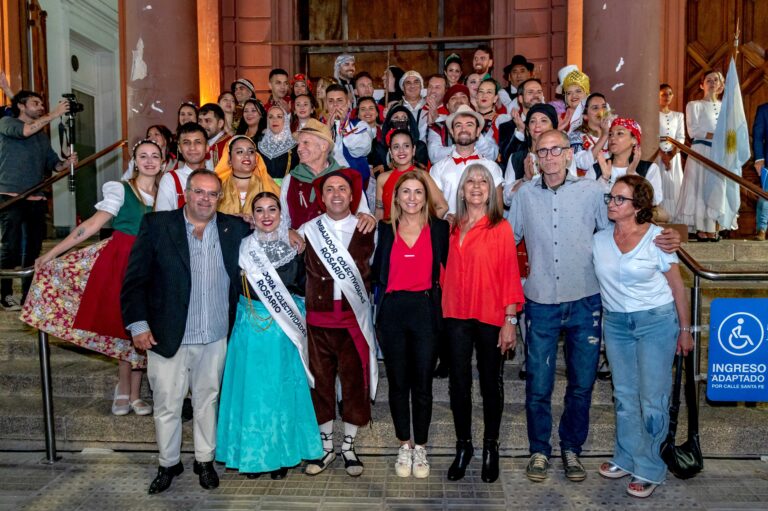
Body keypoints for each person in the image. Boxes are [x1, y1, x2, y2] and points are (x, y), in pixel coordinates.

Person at [509, 129, 680, 484]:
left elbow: (622, 228)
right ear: (535, 157)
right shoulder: (524, 195)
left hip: (586, 302)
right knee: (538, 385)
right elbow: (507, 241)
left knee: (582, 384)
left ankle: (572, 447)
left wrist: (664, 233)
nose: (551, 156)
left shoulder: (592, 193)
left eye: (557, 149)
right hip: (540, 302)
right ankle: (539, 450)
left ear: (570, 155)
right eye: (543, 151)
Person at [121, 169, 251, 494]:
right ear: (187, 194)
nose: (205, 199)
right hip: (167, 336)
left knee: (208, 400)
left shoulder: (232, 227)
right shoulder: (158, 225)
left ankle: (204, 460)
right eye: (199, 192)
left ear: (219, 197)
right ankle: (168, 463)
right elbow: (135, 280)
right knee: (167, 403)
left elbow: (267, 237)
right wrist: (138, 324)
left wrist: (290, 235)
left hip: (215, 334)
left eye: (212, 194)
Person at [21, 140, 160, 415]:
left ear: (163, 161)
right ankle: (125, 388)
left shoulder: (166, 193)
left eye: (155, 156)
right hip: (122, 261)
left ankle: (134, 391)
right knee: (124, 325)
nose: (149, 161)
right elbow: (91, 226)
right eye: (143, 156)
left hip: (152, 263)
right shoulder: (121, 190)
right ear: (134, 161)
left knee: (145, 323)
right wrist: (52, 254)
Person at [593, 175, 693, 498]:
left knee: (652, 397)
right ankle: (626, 455)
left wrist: (685, 330)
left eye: (619, 199)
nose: (611, 202)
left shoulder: (658, 240)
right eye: (611, 197)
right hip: (617, 325)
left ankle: (650, 467)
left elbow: (678, 288)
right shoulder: (599, 240)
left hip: (656, 323)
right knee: (623, 395)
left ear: (638, 207)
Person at [216, 191, 322, 480]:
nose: (266, 216)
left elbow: (302, 286)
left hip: (283, 328)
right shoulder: (241, 247)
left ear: (281, 213)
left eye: (272, 209)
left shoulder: (295, 246)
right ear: (251, 216)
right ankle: (253, 457)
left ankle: (283, 455)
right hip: (249, 325)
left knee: (281, 391)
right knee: (252, 393)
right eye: (259, 210)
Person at [442, 163, 524, 483]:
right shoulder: (450, 227)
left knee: (491, 383)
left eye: (483, 182)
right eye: (470, 181)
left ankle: (492, 447)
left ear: (491, 191)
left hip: (491, 314)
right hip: (455, 314)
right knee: (458, 384)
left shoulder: (500, 227)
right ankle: (464, 447)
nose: (476, 186)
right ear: (461, 190)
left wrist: (510, 319)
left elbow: (509, 275)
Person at [297, 169, 377, 478]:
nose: (336, 194)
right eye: (329, 189)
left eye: (342, 188)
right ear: (322, 196)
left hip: (352, 322)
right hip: (317, 323)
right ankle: (326, 446)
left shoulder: (367, 227)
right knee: (321, 384)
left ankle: (349, 447)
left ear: (352, 194)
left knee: (355, 384)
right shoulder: (308, 229)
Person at [372, 172, 449, 479]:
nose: (413, 198)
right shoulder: (384, 229)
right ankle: (404, 444)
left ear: (426, 197)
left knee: (423, 385)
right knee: (398, 383)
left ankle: (422, 448)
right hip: (392, 312)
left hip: (425, 310)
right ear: (396, 197)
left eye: (419, 192)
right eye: (406, 192)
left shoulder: (440, 229)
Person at [0, 90, 77, 309]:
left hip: (36, 197)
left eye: (43, 103)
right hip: (11, 196)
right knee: (10, 248)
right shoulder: (7, 122)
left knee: (33, 250)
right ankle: (4, 295)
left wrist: (66, 163)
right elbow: (24, 131)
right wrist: (55, 113)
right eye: (36, 103)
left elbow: (52, 164)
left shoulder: (42, 137)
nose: (41, 106)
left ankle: (27, 295)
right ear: (22, 106)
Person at [280, 118, 375, 231]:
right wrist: (288, 232)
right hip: (302, 247)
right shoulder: (290, 179)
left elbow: (364, 212)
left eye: (305, 142)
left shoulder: (346, 177)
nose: (299, 149)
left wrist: (367, 217)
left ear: (324, 146)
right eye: (298, 144)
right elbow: (282, 219)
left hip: (339, 246)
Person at [675, 70, 724, 240]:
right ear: (702, 84)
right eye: (708, 80)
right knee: (700, 188)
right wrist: (715, 135)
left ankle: (713, 227)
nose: (712, 83)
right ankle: (701, 228)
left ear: (721, 84)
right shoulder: (694, 105)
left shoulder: (725, 107)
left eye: (715, 80)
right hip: (702, 151)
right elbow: (694, 130)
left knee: (716, 190)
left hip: (719, 153)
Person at [430, 104, 503, 217]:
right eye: (458, 125)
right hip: (448, 233)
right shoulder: (437, 168)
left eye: (469, 125)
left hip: (483, 232)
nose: (464, 129)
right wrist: (443, 223)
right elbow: (433, 209)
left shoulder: (491, 167)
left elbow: (498, 211)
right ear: (452, 132)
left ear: (478, 131)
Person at [595, 118, 665, 215]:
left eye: (620, 133)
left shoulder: (649, 169)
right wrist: (604, 179)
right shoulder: (597, 168)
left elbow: (654, 200)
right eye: (610, 134)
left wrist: (633, 175)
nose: (612, 138)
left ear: (634, 140)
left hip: (636, 226)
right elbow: (588, 199)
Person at [374, 129, 447, 222]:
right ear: (391, 152)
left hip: (416, 234)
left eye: (406, 146)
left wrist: (421, 227)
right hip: (389, 234)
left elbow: (442, 206)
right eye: (396, 147)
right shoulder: (382, 178)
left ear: (413, 150)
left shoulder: (422, 176)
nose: (401, 151)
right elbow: (379, 211)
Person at [503, 103, 559, 205]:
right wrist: (525, 179)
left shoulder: (562, 154)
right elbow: (507, 200)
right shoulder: (516, 158)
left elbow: (570, 190)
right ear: (528, 128)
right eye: (533, 121)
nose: (537, 125)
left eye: (544, 120)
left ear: (554, 128)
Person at [427, 84, 498, 163]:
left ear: (468, 103)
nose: (459, 100)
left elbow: (492, 155)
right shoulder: (437, 127)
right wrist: (464, 147)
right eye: (453, 98)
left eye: (463, 97)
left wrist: (477, 133)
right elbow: (434, 156)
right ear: (447, 106)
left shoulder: (483, 126)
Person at [216, 135, 280, 216]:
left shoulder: (269, 187)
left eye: (251, 152)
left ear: (256, 159)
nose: (246, 156)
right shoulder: (218, 187)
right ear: (229, 159)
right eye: (240, 152)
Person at [324, 85, 372, 187]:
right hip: (327, 183)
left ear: (348, 103)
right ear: (326, 105)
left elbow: (362, 149)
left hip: (354, 183)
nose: (335, 105)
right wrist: (327, 130)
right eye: (331, 101)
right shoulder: (318, 128)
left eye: (340, 101)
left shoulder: (360, 125)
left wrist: (343, 123)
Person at [155, 122, 209, 211]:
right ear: (179, 148)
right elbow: (162, 220)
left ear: (207, 147)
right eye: (186, 143)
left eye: (198, 142)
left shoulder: (217, 178)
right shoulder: (170, 180)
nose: (192, 147)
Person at [498, 78, 546, 166]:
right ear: (520, 98)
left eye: (539, 92)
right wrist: (520, 131)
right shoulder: (506, 127)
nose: (536, 95)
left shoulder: (549, 125)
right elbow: (506, 159)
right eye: (530, 92)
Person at [657, 84, 686, 218]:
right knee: (660, 185)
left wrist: (671, 155)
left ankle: (675, 218)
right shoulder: (653, 115)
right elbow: (651, 136)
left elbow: (681, 137)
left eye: (669, 94)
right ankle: (660, 216)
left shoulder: (678, 116)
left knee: (675, 187)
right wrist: (663, 155)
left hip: (674, 157)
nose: (667, 96)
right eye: (663, 94)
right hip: (657, 155)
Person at [570, 92, 613, 177]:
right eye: (595, 108)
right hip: (586, 185)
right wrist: (604, 135)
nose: (601, 111)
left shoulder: (613, 134)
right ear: (585, 116)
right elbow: (584, 164)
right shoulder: (576, 136)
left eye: (604, 107)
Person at [258, 104, 299, 184]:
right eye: (271, 117)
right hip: (263, 191)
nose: (274, 120)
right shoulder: (259, 146)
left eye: (279, 117)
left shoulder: (295, 148)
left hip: (286, 191)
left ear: (286, 120)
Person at [752, 101, 768, 240]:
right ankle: (762, 229)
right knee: (765, 196)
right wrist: (759, 158)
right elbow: (757, 136)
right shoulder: (764, 109)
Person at [199, 103, 232, 169]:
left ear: (220, 123)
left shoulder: (230, 145)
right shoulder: (198, 143)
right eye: (200, 121)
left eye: (207, 121)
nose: (202, 125)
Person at [397, 71, 427, 141]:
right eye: (408, 83)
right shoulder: (396, 109)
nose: (412, 86)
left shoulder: (431, 106)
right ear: (403, 88)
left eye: (416, 82)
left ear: (421, 86)